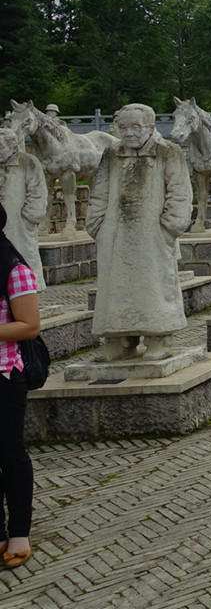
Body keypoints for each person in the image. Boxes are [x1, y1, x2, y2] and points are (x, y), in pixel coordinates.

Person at [87, 104, 194, 361]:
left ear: (150, 127)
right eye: (123, 127)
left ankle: (159, 336)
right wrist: (97, 226)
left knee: (154, 285)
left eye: (136, 127)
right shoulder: (111, 154)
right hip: (115, 234)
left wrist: (170, 227)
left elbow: (179, 192)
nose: (129, 133)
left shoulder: (168, 152)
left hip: (153, 233)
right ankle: (118, 337)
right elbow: (99, 193)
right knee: (115, 288)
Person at [0, 204, 40, 570]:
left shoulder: (13, 270)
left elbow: (29, 325)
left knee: (10, 452)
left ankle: (19, 532)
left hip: (5, 374)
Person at [0, 130, 47, 294]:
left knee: (25, 254)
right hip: (4, 220)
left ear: (12, 146)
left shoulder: (28, 162)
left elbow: (38, 192)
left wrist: (29, 218)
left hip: (20, 221)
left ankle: (31, 290)